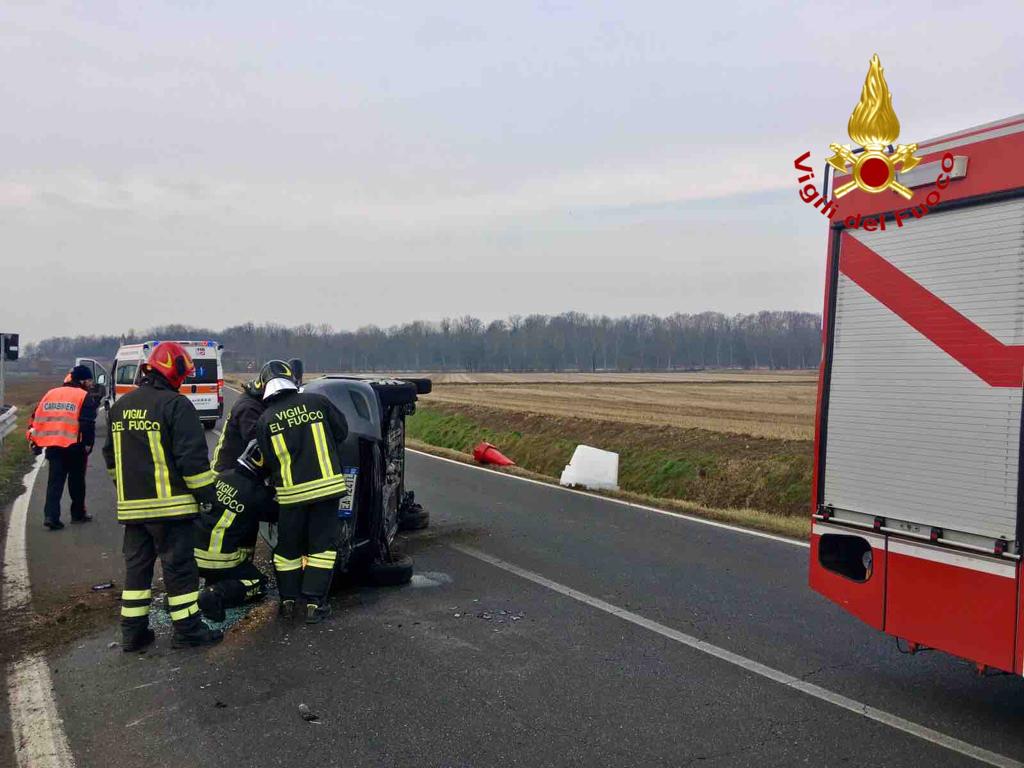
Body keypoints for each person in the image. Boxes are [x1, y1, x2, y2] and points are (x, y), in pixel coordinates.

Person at [102, 341, 223, 651]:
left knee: (137, 572)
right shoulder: (175, 405)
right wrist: (208, 496)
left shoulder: (120, 408)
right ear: (174, 372)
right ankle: (187, 631)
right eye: (183, 375)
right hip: (171, 510)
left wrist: (128, 491)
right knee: (179, 570)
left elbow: (111, 458)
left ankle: (133, 632)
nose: (183, 381)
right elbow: (193, 461)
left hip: (133, 511)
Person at [254, 360, 348, 624]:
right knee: (321, 548)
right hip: (326, 490)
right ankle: (314, 604)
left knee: (288, 550)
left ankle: (288, 602)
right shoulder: (318, 403)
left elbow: (268, 461)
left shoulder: (264, 420)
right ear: (291, 379)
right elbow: (342, 432)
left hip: (291, 497)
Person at [194, 439, 277, 622]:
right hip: (224, 562)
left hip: (194, 557)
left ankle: (188, 598)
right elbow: (278, 514)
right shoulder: (257, 495)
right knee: (258, 584)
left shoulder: (223, 476)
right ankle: (217, 595)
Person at [26, 365, 98, 529]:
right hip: (75, 445)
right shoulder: (83, 396)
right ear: (82, 380)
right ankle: (77, 514)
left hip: (54, 445)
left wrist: (35, 442)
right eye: (88, 380)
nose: (90, 383)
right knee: (77, 483)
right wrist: (88, 444)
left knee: (54, 483)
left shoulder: (51, 393)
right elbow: (87, 423)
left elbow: (37, 418)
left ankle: (51, 516)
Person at [210, 371, 268, 472]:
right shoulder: (248, 408)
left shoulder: (254, 401)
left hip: (237, 468)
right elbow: (257, 441)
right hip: (228, 471)